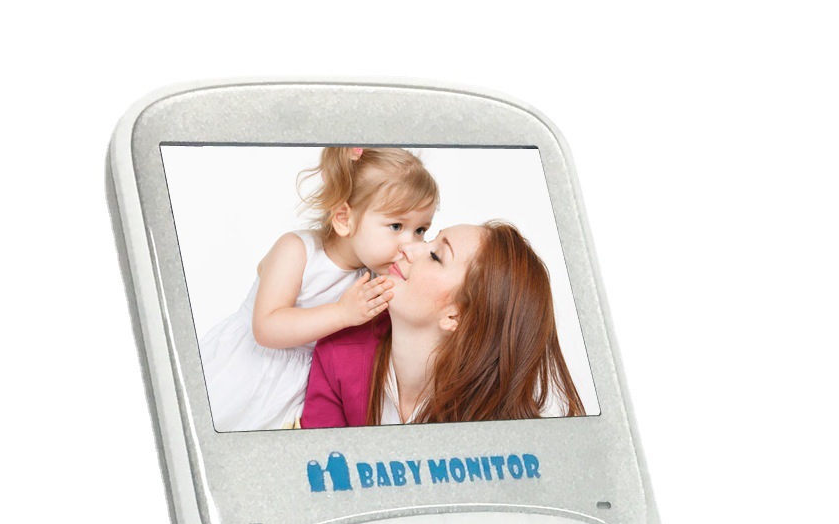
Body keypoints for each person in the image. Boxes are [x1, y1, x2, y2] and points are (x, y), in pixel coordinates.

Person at [199, 146, 438, 430]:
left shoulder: (378, 274)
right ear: (344, 219)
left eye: (420, 230)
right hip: (250, 370)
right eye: (396, 226)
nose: (411, 244)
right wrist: (342, 313)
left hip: (306, 386)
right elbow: (265, 328)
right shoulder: (297, 251)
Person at [302, 220, 586, 428]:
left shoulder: (502, 435)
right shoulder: (335, 351)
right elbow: (315, 475)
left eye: (436, 256)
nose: (407, 248)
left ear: (456, 316)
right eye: (429, 241)